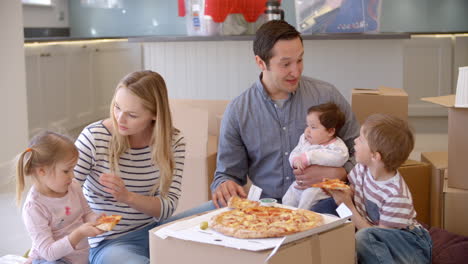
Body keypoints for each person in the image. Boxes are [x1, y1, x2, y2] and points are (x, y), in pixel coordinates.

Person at [210, 19, 360, 214]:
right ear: (260, 62)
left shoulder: (327, 96)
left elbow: (363, 153)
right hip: (265, 211)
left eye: (300, 60)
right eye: (286, 64)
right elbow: (226, 174)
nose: (296, 71)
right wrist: (225, 185)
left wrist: (339, 173)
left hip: (324, 205)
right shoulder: (238, 111)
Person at [73, 70, 186, 264]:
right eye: (117, 107)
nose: (120, 119)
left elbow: (167, 207)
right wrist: (46, 246)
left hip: (156, 232)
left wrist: (128, 197)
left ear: (155, 115)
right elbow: (60, 194)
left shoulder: (173, 141)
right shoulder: (94, 137)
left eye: (132, 115)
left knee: (221, 209)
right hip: (110, 243)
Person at [328, 114, 432, 263]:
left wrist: (347, 206)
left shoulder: (396, 196)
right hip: (371, 230)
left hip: (409, 245)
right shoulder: (362, 168)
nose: (355, 140)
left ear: (375, 156)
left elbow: (377, 237)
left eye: (361, 139)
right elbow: (352, 191)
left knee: (364, 238)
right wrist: (342, 194)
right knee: (327, 206)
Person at [16, 131, 104, 264]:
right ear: (42, 171)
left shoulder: (73, 187)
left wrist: (98, 220)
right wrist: (79, 233)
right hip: (51, 259)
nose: (73, 176)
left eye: (73, 169)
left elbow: (87, 214)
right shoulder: (34, 207)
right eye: (66, 171)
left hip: (79, 256)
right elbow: (49, 253)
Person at [282, 102, 349, 209]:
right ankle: (287, 217)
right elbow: (295, 152)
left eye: (313, 127)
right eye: (307, 125)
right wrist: (295, 160)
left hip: (321, 187)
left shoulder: (337, 147)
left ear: (330, 131)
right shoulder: (305, 140)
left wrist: (309, 157)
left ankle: (303, 218)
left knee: (308, 197)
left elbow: (339, 159)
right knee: (288, 197)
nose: (307, 130)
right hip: (301, 182)